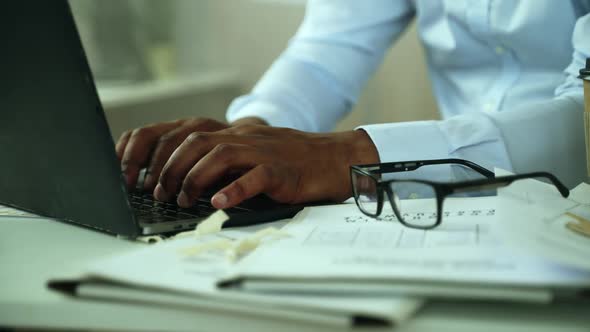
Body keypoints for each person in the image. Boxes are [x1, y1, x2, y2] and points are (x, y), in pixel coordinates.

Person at [117, 1, 590, 211]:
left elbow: (584, 115)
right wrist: (249, 138)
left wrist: (351, 156)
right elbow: (327, 49)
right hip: (452, 203)